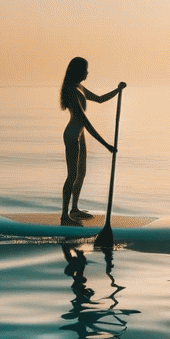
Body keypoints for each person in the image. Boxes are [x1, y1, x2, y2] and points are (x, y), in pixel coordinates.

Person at [58, 57, 123, 224]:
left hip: (80, 136)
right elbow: (85, 122)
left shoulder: (79, 87)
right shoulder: (71, 91)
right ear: (77, 71)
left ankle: (75, 209)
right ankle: (65, 215)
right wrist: (106, 144)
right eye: (85, 70)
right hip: (72, 135)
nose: (87, 72)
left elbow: (100, 99)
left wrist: (118, 90)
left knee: (82, 173)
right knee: (72, 175)